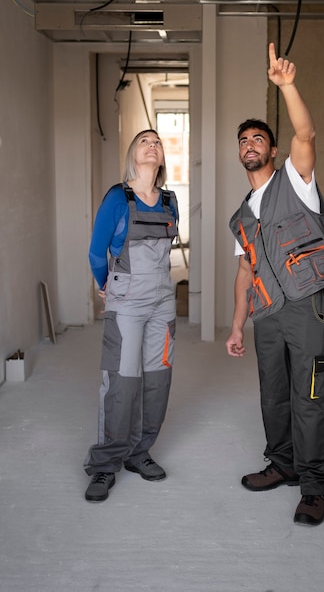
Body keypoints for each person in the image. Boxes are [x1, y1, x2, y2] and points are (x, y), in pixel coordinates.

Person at [225, 43, 324, 525]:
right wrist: (237, 325)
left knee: (310, 392)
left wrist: (287, 86)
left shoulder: (295, 181)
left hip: (304, 305)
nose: (250, 145)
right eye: (243, 141)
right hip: (266, 313)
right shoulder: (241, 216)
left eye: (258, 139)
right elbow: (244, 272)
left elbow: (306, 131)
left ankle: (314, 484)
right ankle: (283, 464)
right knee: (273, 393)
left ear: (272, 150)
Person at [84, 129, 179, 502]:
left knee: (158, 381)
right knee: (122, 382)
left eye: (157, 142)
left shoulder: (169, 201)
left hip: (163, 303)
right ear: (132, 154)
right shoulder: (117, 198)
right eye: (144, 141)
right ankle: (105, 464)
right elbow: (96, 251)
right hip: (127, 300)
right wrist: (106, 284)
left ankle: (139, 454)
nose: (152, 145)